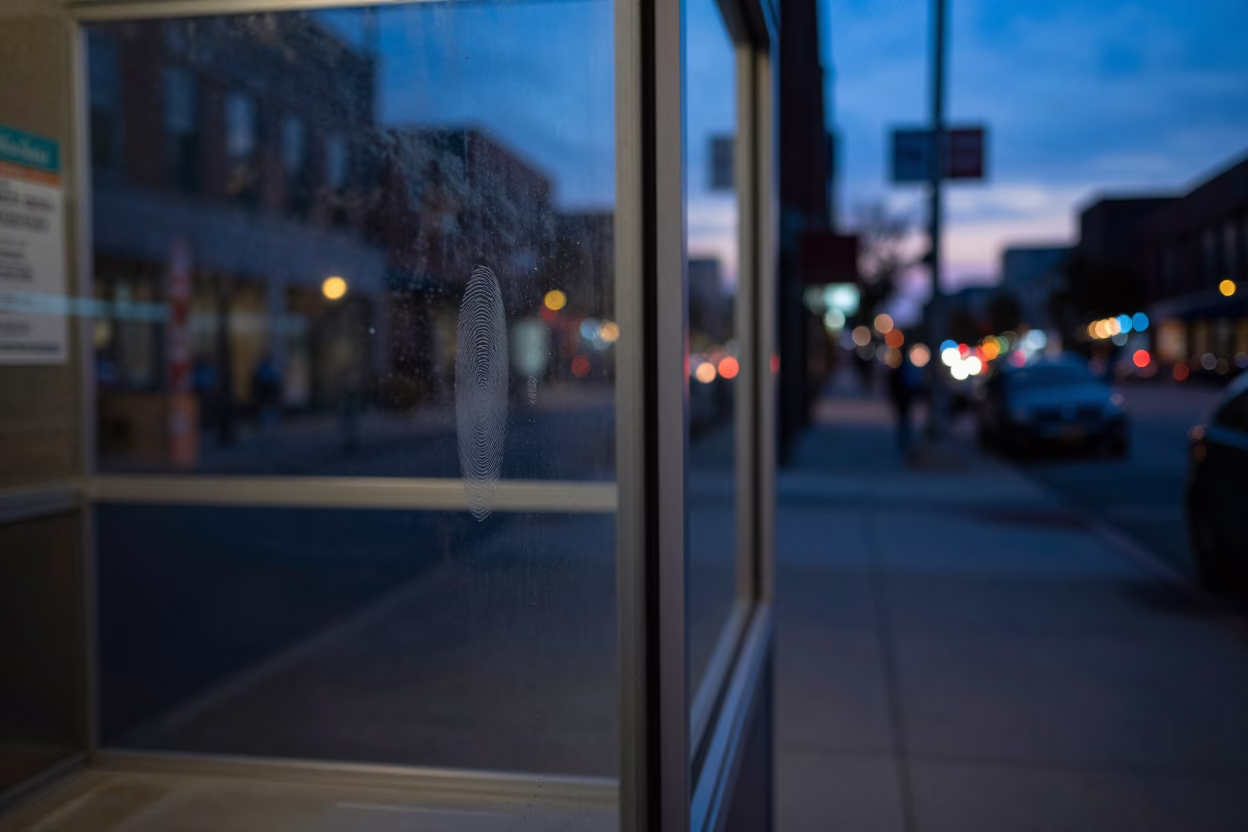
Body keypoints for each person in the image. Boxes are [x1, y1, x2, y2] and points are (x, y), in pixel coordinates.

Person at [888, 355, 922, 454]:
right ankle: (904, 440)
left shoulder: (900, 370)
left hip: (904, 397)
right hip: (903, 397)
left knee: (904, 419)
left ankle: (904, 440)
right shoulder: (902, 370)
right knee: (904, 418)